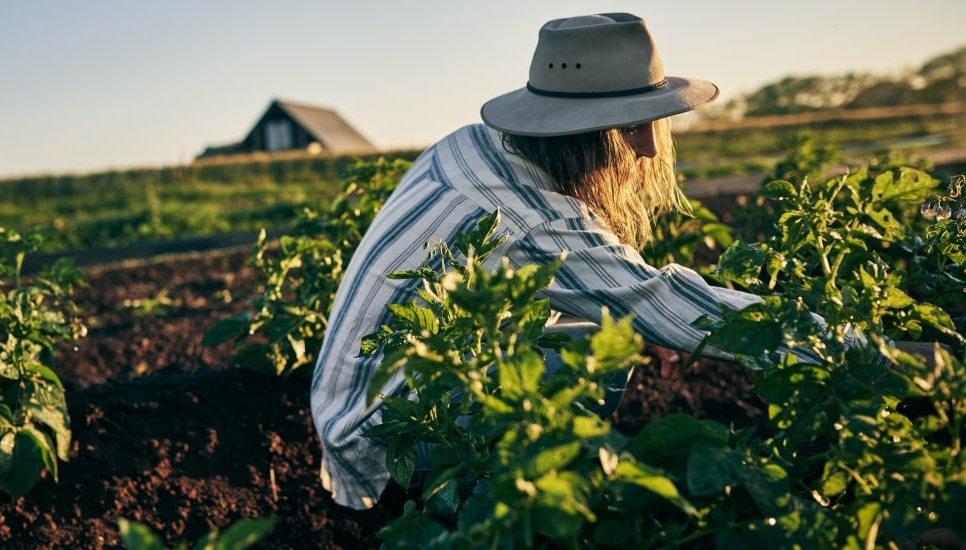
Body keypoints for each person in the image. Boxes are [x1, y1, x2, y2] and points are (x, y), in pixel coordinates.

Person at [309, 12, 878, 511]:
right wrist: (861, 354)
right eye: (632, 126)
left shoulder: (475, 143)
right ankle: (506, 513)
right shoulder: (534, 215)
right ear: (579, 134)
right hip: (386, 437)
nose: (651, 149)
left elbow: (599, 279)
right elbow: (668, 305)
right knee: (595, 353)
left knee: (587, 328)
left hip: (355, 401)